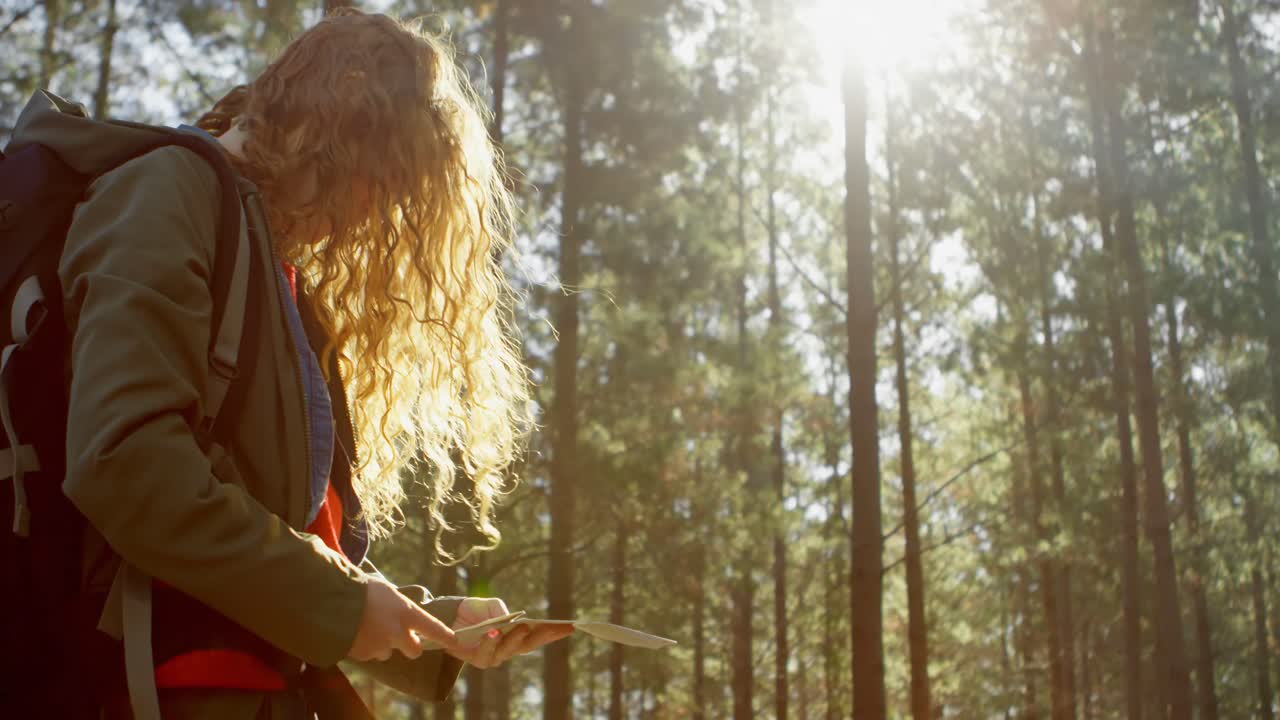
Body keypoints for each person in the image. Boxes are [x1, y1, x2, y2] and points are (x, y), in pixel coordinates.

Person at [8, 7, 571, 718]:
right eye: (382, 178)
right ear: (332, 132)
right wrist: (340, 602)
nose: (375, 214)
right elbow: (126, 462)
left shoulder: (280, 277)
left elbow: (283, 554)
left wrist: (434, 626)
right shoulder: (165, 191)